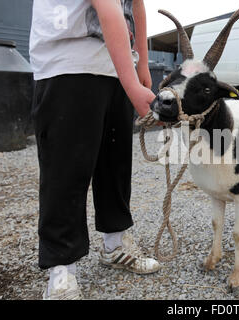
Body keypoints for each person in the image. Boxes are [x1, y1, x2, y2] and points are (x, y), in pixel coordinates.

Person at [29, 0, 161, 300]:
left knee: (115, 164)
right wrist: (132, 84)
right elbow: (108, 6)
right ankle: (61, 267)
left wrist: (140, 62)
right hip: (67, 62)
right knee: (66, 170)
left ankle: (115, 244)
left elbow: (135, 4)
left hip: (114, 65)